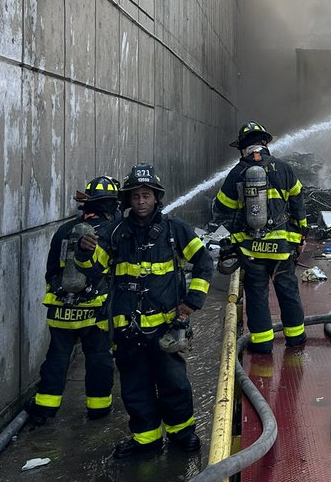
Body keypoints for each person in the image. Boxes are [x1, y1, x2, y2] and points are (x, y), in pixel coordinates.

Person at [96, 163, 213, 459]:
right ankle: (146, 441)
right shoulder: (115, 233)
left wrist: (192, 301)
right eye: (135, 196)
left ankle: (182, 435)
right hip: (127, 329)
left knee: (174, 385)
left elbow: (204, 262)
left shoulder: (175, 230)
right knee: (135, 389)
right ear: (128, 200)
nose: (141, 202)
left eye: (146, 195)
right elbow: (93, 269)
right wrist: (86, 252)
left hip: (164, 328)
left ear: (156, 197)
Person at [28, 175, 121, 425]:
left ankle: (45, 409)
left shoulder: (64, 230)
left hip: (60, 308)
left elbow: (50, 270)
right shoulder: (111, 231)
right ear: (111, 204)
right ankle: (98, 408)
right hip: (94, 309)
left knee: (56, 359)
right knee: (99, 359)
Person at [212, 121, 308, 355]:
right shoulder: (284, 168)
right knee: (288, 291)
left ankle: (263, 343)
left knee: (256, 294)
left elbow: (223, 208)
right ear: (264, 142)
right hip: (283, 249)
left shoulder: (237, 172)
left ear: (242, 147)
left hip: (251, 251)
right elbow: (298, 204)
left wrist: (235, 238)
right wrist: (300, 236)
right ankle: (296, 339)